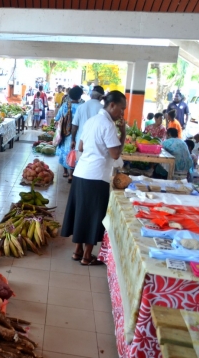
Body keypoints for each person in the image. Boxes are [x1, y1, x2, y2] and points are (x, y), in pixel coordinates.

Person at [61, 90, 127, 266]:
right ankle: (87, 255)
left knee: (81, 212)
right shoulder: (108, 125)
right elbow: (114, 154)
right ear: (111, 105)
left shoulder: (91, 121)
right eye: (121, 109)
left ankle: (77, 250)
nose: (122, 114)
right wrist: (124, 133)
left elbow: (81, 146)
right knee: (93, 215)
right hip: (97, 176)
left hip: (81, 173)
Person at [55, 86, 83, 181]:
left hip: (65, 133)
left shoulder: (65, 105)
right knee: (73, 152)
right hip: (77, 133)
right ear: (79, 96)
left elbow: (57, 118)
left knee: (64, 151)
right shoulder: (82, 107)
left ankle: (65, 172)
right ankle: (71, 174)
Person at [71, 85, 105, 153]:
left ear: (91, 95)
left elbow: (74, 126)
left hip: (80, 143)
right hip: (95, 147)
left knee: (79, 162)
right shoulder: (103, 109)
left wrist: (73, 139)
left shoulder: (81, 107)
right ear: (101, 97)